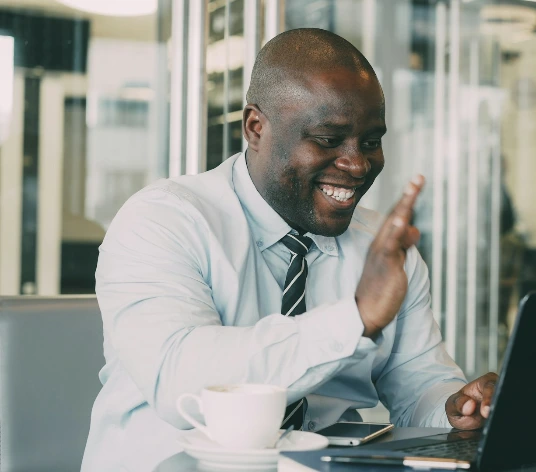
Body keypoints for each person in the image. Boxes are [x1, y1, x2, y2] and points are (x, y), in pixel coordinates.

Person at [81, 28, 498, 471]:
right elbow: (182, 382)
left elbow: (418, 385)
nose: (357, 164)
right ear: (255, 128)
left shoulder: (382, 248)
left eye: (371, 142)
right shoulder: (163, 220)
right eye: (328, 139)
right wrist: (355, 319)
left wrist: (455, 407)